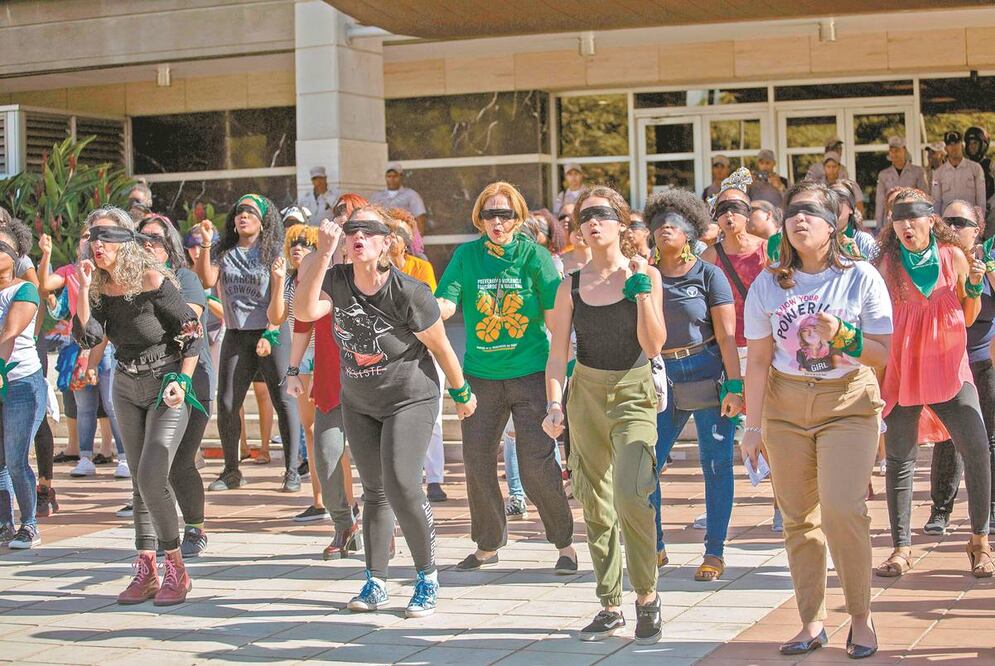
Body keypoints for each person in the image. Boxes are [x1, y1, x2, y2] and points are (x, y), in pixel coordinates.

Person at [295, 205, 476, 619]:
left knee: (401, 482)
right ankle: (375, 580)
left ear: (385, 243)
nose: (357, 235)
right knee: (374, 491)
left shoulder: (408, 290)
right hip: (359, 399)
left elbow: (441, 348)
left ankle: (426, 578)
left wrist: (462, 392)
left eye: (367, 230)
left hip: (410, 396)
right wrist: (323, 255)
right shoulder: (336, 278)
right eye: (350, 230)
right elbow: (304, 313)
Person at [743, 181, 892, 658]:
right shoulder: (768, 283)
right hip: (785, 409)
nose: (799, 219)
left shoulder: (862, 277)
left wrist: (845, 335)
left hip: (846, 404)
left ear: (834, 224)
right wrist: (752, 426)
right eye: (793, 212)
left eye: (811, 212)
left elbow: (882, 356)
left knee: (843, 510)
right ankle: (811, 620)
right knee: (798, 519)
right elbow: (759, 361)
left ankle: (861, 617)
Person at [543, 185, 666, 644]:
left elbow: (654, 346)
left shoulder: (645, 273)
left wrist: (641, 295)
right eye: (584, 217)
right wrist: (554, 404)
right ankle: (610, 602)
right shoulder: (569, 283)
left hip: (634, 392)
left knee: (633, 494)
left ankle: (648, 598)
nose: (592, 223)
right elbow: (557, 355)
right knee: (594, 501)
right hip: (585, 395)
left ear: (620, 223)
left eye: (602, 214)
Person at [436, 181, 576, 573]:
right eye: (490, 214)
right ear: (479, 218)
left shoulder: (535, 257)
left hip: (531, 372)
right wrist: (427, 311)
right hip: (480, 376)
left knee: (535, 465)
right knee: (477, 460)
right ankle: (488, 544)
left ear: (519, 217)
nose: (497, 221)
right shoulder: (466, 256)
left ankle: (564, 543)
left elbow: (555, 322)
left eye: (506, 214)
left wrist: (562, 375)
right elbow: (447, 301)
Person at [74, 206, 203, 605]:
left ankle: (176, 570)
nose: (97, 245)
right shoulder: (97, 285)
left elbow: (192, 332)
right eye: (92, 238)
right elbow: (87, 337)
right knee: (137, 481)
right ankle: (146, 567)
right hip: (126, 384)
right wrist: (81, 288)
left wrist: (182, 380)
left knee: (152, 472)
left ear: (124, 242)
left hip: (166, 384)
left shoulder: (151, 279)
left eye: (105, 237)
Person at [874, 188, 993, 579]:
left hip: (949, 369)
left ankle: (979, 541)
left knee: (976, 450)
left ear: (930, 220)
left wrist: (974, 286)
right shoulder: (887, 265)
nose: (906, 224)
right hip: (903, 371)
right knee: (900, 461)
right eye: (898, 218)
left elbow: (969, 314)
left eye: (914, 216)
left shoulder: (952, 256)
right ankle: (901, 548)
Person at [645, 189, 742, 579]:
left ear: (692, 231)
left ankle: (714, 552)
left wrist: (734, 385)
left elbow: (728, 336)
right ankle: (655, 547)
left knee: (716, 465)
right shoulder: (643, 274)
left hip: (705, 369)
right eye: (659, 222)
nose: (667, 227)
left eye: (676, 222)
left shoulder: (709, 273)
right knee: (646, 465)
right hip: (659, 376)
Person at [193, 194, 302, 493]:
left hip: (272, 332)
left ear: (264, 220)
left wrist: (270, 332)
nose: (243, 216)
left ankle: (291, 469)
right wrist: (205, 243)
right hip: (237, 334)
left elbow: (280, 306)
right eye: (240, 211)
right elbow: (205, 280)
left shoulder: (273, 253)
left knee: (284, 401)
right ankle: (231, 471)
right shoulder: (224, 251)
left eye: (251, 212)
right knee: (227, 403)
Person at [288, 193, 367, 560]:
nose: (344, 224)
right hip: (331, 381)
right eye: (339, 216)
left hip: (374, 382)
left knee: (378, 464)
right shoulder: (319, 267)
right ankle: (343, 524)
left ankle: (379, 524)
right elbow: (303, 319)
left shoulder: (376, 270)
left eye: (352, 219)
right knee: (326, 454)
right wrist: (292, 368)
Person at [137, 214, 211, 556]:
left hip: (190, 378)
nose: (147, 245)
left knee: (181, 459)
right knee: (150, 463)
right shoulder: (128, 282)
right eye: (141, 239)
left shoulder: (186, 278)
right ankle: (155, 537)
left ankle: (195, 527)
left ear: (170, 245)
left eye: (155, 239)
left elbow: (189, 321)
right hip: (146, 379)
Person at [925, 201, 995, 537]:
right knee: (947, 438)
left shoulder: (989, 259)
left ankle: (990, 509)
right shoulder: (937, 260)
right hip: (949, 361)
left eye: (960, 222)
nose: (952, 228)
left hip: (985, 359)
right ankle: (940, 509)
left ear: (977, 228)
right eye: (946, 220)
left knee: (989, 439)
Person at [37, 230, 129, 483]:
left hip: (107, 344)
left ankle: (124, 458)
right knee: (84, 406)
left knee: (112, 403)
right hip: (80, 344)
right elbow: (47, 290)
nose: (88, 240)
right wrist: (45, 256)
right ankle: (85, 458)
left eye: (95, 235)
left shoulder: (109, 271)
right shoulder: (70, 272)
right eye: (86, 234)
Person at [385, 208, 448, 502]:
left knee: (432, 417)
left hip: (425, 346)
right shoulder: (377, 270)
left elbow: (429, 309)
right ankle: (408, 476)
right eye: (388, 232)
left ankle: (435, 478)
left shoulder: (420, 267)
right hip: (392, 352)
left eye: (397, 233)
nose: (392, 238)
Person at [0, 220, 48, 549]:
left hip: (20, 384)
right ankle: (5, 523)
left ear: (16, 255)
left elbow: (9, 333)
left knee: (16, 459)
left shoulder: (25, 290)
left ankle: (29, 524)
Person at [368, 162, 427, 257]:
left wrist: (413, 244)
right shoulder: (376, 196)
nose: (392, 179)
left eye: (395, 176)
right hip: (382, 244)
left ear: (401, 176)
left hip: (405, 244)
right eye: (389, 176)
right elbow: (369, 220)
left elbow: (420, 220)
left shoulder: (411, 195)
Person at [875, 137, 929, 226]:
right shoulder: (883, 174)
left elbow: (924, 197)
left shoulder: (918, 171)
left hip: (912, 219)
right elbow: (880, 202)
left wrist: (924, 219)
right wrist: (879, 225)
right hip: (890, 221)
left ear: (904, 150)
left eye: (897, 150)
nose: (894, 154)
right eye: (891, 151)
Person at [931, 131, 986, 213]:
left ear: (962, 145)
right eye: (950, 144)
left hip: (969, 220)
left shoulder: (975, 168)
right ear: (946, 148)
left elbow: (981, 200)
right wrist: (938, 224)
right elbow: (936, 202)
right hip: (948, 221)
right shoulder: (938, 173)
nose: (954, 147)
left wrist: (979, 223)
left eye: (956, 143)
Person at [830, 180, 879, 261]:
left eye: (841, 199)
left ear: (851, 208)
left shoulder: (864, 241)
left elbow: (876, 272)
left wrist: (859, 259)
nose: (835, 204)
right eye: (831, 199)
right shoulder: (818, 240)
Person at [964, 126, 994, 204]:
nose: (971, 146)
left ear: (984, 145)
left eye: (975, 143)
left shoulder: (991, 166)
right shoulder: (963, 166)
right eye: (969, 143)